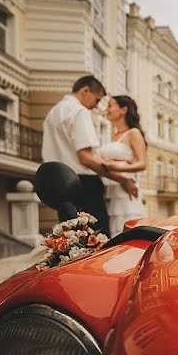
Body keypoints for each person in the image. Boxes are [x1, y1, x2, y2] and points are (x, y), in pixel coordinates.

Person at [41, 75, 137, 237]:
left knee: (71, 243)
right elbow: (86, 158)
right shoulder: (79, 111)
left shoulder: (53, 113)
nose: (95, 106)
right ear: (85, 91)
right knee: (98, 240)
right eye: (97, 100)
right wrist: (122, 179)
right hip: (83, 185)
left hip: (59, 187)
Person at [99, 95, 147, 236]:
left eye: (110, 105)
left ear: (123, 109)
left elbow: (142, 163)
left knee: (125, 233)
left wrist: (117, 167)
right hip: (109, 191)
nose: (107, 109)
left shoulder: (134, 133)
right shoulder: (113, 136)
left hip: (126, 194)